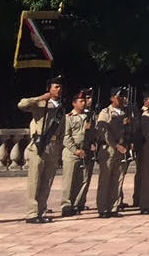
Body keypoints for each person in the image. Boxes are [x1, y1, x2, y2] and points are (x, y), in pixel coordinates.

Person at [18, 75, 66, 223]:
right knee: (35, 180)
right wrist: (40, 98)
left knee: (47, 180)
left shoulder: (60, 107)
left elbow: (62, 129)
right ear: (49, 89)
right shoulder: (40, 104)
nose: (59, 90)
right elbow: (21, 104)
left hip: (53, 146)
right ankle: (32, 213)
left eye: (60, 87)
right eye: (55, 87)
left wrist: (60, 149)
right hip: (40, 145)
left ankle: (41, 211)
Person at [95, 88, 133, 218]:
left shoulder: (126, 113)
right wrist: (116, 145)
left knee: (118, 179)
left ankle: (113, 206)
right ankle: (103, 208)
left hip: (122, 148)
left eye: (123, 96)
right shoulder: (105, 112)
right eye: (119, 96)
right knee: (105, 180)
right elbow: (104, 132)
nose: (121, 98)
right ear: (112, 98)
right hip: (110, 149)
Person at [60, 88, 97, 216]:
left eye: (84, 100)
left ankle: (77, 204)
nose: (83, 103)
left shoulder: (89, 117)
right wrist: (76, 150)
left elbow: (93, 134)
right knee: (69, 180)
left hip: (86, 151)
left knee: (83, 180)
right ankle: (66, 205)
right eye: (80, 101)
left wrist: (92, 143)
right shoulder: (69, 117)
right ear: (74, 103)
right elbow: (65, 136)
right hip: (72, 152)